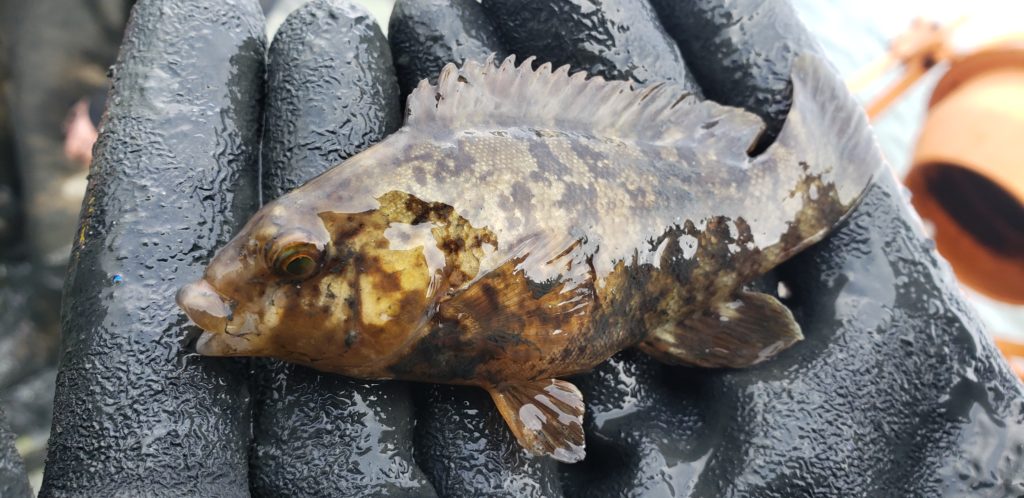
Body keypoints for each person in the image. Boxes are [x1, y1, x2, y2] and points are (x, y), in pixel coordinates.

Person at [23, 0, 1024, 496]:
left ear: (404, 261)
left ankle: (812, 172)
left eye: (294, 271)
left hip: (684, 254)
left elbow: (556, 296)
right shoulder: (407, 272)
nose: (225, 296)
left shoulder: (433, 283)